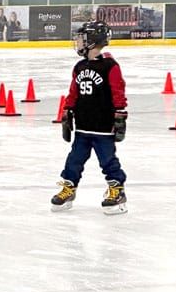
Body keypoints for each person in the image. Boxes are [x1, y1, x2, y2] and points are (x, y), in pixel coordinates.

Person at [51, 21, 129, 215]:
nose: (77, 42)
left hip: (103, 127)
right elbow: (73, 92)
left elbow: (118, 91)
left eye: (81, 38)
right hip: (83, 126)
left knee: (108, 161)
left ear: (92, 41)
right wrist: (67, 110)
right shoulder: (79, 67)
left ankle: (117, 190)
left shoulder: (110, 66)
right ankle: (69, 189)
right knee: (74, 160)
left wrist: (120, 115)